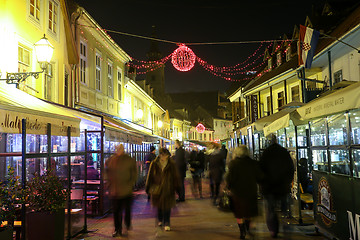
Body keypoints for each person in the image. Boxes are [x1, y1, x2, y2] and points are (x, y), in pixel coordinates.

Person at [259, 134, 294, 238]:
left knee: (270, 210)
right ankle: (286, 228)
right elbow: (291, 168)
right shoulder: (284, 152)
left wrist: (263, 183)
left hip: (269, 187)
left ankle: (274, 230)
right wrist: (288, 181)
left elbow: (261, 169)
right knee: (284, 209)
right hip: (283, 186)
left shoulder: (266, 153)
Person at [226, 145, 263, 239]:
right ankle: (249, 228)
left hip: (237, 192)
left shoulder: (233, 164)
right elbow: (260, 177)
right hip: (251, 191)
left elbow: (230, 178)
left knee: (239, 213)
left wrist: (228, 188)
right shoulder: (253, 163)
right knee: (249, 211)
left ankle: (242, 232)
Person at [105, 144, 138, 237]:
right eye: (117, 149)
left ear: (123, 150)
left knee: (127, 210)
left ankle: (127, 224)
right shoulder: (111, 160)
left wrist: (131, 183)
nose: (118, 150)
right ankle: (117, 229)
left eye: (120, 149)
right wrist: (109, 183)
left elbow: (134, 173)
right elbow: (106, 171)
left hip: (126, 190)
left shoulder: (128, 160)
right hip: (115, 191)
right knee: (116, 211)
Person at [145, 148, 180, 231]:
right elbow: (150, 176)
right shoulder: (154, 163)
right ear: (160, 155)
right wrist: (147, 187)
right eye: (162, 155)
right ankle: (160, 219)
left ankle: (167, 222)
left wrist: (177, 187)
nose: (164, 157)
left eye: (166, 156)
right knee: (160, 206)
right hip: (157, 188)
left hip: (168, 188)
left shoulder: (171, 164)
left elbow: (175, 176)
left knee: (167, 206)